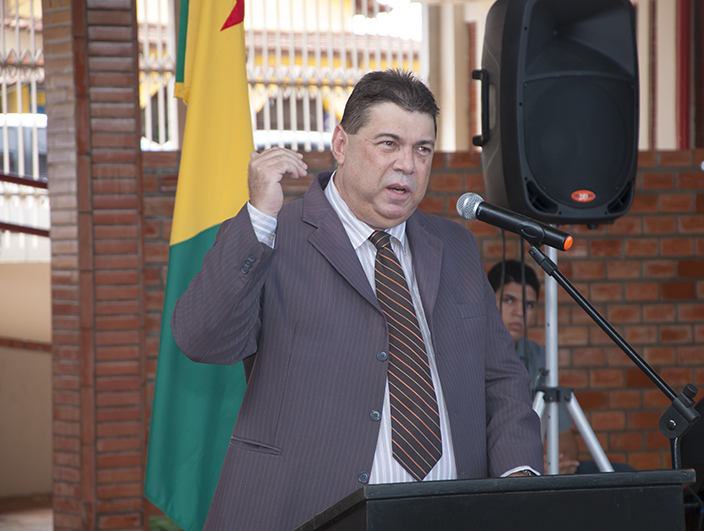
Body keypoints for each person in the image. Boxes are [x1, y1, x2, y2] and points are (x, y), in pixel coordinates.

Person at [171, 70, 544, 531]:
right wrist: (259, 218)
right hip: (307, 513)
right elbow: (202, 339)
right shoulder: (274, 233)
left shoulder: (456, 246)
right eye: (389, 144)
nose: (407, 165)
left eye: (422, 149)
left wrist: (517, 476)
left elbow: (501, 378)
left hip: (450, 513)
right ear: (341, 145)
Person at [487, 259, 580, 475]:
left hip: (537, 472)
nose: (520, 312)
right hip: (493, 474)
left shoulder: (538, 356)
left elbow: (566, 442)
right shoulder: (468, 353)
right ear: (488, 301)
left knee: (621, 473)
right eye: (508, 300)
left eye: (529, 305)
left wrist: (554, 464)